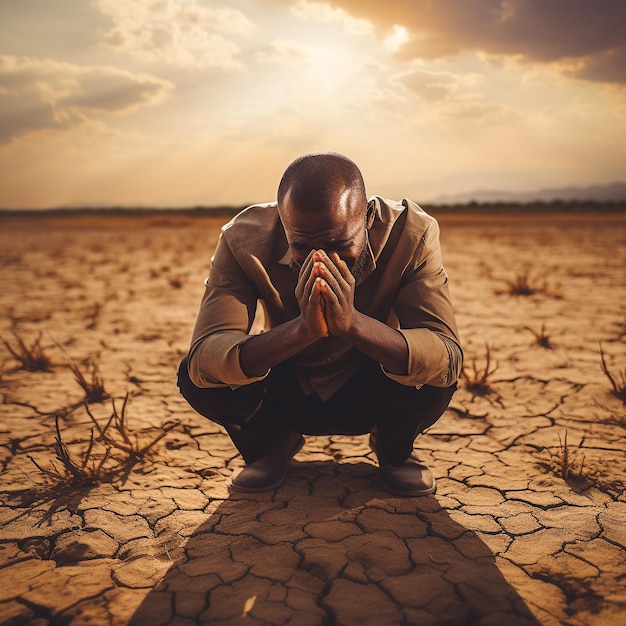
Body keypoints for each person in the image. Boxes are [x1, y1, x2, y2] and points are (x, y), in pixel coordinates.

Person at [177, 151, 462, 496]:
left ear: (368, 216)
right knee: (200, 378)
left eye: (339, 244)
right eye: (302, 246)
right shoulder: (242, 240)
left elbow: (446, 356)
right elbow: (205, 357)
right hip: (288, 383)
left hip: (373, 384)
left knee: (431, 370)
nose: (321, 259)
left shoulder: (411, 235)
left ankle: (394, 451)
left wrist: (353, 325)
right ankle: (268, 447)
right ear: (283, 224)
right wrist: (302, 330)